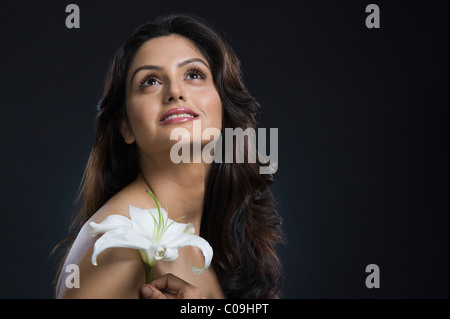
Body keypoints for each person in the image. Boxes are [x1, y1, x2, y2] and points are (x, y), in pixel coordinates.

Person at [54, 13, 284, 299]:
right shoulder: (116, 241)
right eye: (150, 81)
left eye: (194, 74)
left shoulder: (223, 234)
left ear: (224, 106)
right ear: (126, 127)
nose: (175, 91)